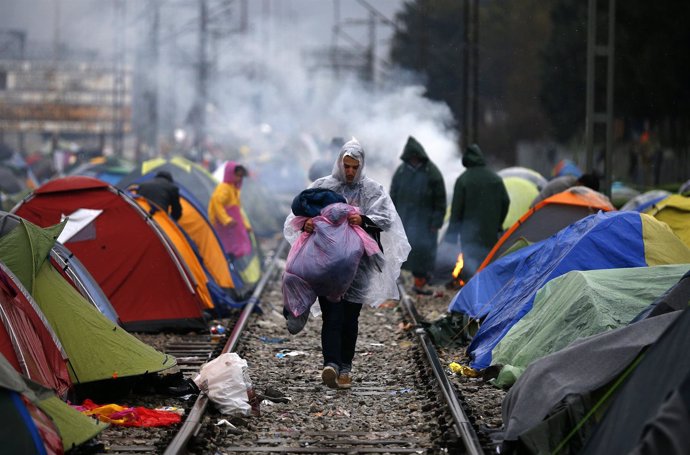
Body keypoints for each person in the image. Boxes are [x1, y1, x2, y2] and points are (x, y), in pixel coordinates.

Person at [283, 138, 410, 390]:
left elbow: (386, 219)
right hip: (326, 267)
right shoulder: (323, 186)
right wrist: (307, 223)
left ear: (361, 166)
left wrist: (361, 219)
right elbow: (296, 216)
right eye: (347, 166)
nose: (350, 171)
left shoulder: (372, 190)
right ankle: (331, 363)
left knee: (350, 319)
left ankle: (345, 368)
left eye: (355, 167)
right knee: (332, 316)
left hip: (358, 268)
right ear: (339, 163)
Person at [444, 143, 510, 281]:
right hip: (490, 231)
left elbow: (456, 211)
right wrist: (498, 223)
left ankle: (471, 292)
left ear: (466, 160)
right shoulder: (495, 179)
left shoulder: (463, 180)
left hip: (469, 234)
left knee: (470, 265)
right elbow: (506, 202)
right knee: (489, 262)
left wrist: (451, 236)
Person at [390, 136, 446, 295]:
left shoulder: (432, 172)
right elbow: (393, 194)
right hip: (405, 219)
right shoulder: (401, 171)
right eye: (411, 158)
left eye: (416, 157)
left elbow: (440, 199)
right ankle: (395, 284)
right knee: (400, 251)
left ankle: (420, 283)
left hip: (425, 222)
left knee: (423, 253)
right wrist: (391, 216)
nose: (413, 160)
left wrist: (436, 221)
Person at [208, 161, 252, 259]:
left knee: (235, 245)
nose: (239, 178)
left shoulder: (234, 189)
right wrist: (226, 220)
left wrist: (246, 225)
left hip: (232, 225)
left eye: (241, 176)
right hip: (224, 225)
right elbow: (217, 204)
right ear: (230, 174)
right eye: (237, 175)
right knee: (227, 246)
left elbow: (238, 210)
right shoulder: (224, 188)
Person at [529, 172, 600, 208]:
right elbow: (559, 207)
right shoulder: (562, 186)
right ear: (580, 184)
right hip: (536, 210)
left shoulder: (573, 185)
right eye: (585, 191)